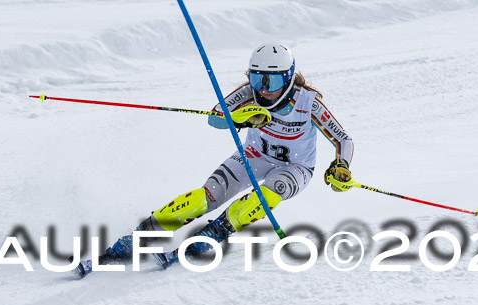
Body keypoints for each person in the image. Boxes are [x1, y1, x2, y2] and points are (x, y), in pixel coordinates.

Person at [74, 43, 355, 277]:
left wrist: (341, 167)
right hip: (254, 155)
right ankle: (141, 236)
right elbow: (214, 116)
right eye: (258, 79)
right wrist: (238, 119)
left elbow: (343, 140)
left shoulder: (308, 103)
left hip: (295, 168)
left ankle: (213, 234)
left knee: (267, 195)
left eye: (273, 80)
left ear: (290, 77)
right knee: (205, 197)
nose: (264, 89)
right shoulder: (248, 94)